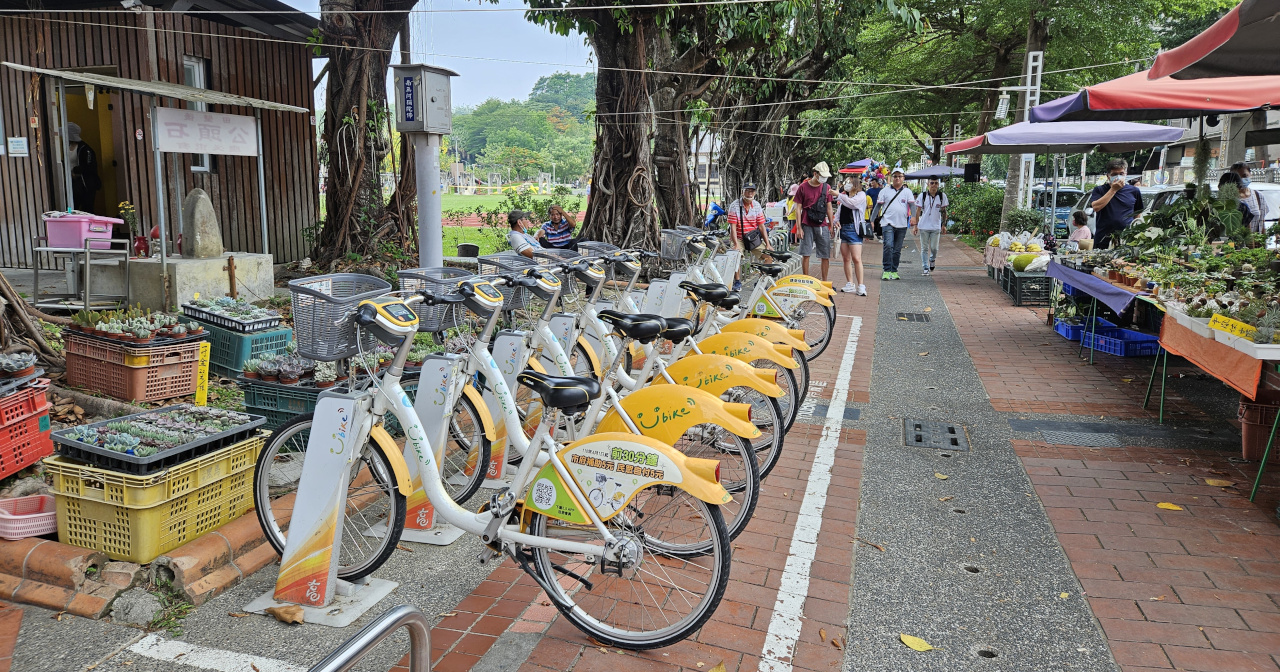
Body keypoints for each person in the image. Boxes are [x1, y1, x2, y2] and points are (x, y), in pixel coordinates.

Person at [1089, 158, 1144, 249]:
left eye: (1121, 174)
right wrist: (1113, 190)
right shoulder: (1099, 190)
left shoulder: (1134, 191)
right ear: (1108, 176)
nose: (1118, 177)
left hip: (1125, 239)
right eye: (1114, 174)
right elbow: (1096, 207)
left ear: (1125, 174)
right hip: (1103, 238)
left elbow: (1137, 213)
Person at [726, 182, 773, 289]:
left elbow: (761, 226)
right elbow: (732, 227)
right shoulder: (734, 205)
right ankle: (737, 281)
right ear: (742, 191)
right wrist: (735, 244)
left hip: (752, 237)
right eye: (747, 191)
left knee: (769, 255)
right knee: (735, 255)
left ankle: (761, 280)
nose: (749, 193)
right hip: (738, 237)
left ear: (755, 193)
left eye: (752, 191)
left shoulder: (756, 205)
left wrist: (768, 244)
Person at [794, 162, 835, 280]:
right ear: (815, 174)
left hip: (822, 224)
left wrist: (831, 225)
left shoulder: (826, 187)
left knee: (825, 255)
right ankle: (806, 280)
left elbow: (829, 207)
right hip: (806, 224)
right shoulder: (803, 187)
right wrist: (799, 227)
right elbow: (798, 209)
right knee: (806, 254)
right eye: (822, 175)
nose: (824, 178)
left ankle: (824, 281)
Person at [874, 168, 916, 280]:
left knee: (897, 249)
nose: (897, 178)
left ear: (903, 178)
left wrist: (914, 217)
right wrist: (872, 221)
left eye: (899, 176)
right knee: (888, 245)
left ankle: (894, 270)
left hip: (902, 224)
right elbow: (877, 206)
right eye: (895, 176)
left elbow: (912, 205)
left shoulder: (907, 192)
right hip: (887, 223)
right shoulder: (884, 191)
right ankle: (887, 270)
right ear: (891, 178)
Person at [835, 178, 868, 295]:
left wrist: (839, 195)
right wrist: (836, 221)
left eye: (849, 183)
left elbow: (852, 204)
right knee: (846, 258)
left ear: (855, 185)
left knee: (857, 258)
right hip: (843, 229)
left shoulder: (861, 195)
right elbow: (839, 212)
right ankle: (850, 283)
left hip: (854, 229)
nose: (846, 185)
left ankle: (861, 285)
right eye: (846, 183)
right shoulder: (845, 197)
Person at [912, 177, 948, 276]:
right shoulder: (922, 196)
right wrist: (915, 226)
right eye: (932, 183)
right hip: (924, 226)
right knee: (924, 248)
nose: (934, 185)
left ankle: (932, 259)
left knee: (934, 248)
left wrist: (944, 225)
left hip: (936, 227)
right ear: (928, 184)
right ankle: (925, 267)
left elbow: (944, 211)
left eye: (936, 183)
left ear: (938, 185)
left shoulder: (942, 196)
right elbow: (918, 211)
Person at [66, 122, 102, 214]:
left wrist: (76, 171)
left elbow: (90, 166)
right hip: (72, 183)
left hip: (85, 184)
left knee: (87, 209)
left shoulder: (85, 149)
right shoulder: (67, 147)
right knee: (73, 209)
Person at [1232, 161, 1270, 232]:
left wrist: (1262, 240)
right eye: (1237, 176)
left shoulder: (1258, 196)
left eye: (1244, 176)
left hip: (1254, 241)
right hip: (1234, 242)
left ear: (1250, 175)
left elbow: (1262, 223)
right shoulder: (1228, 199)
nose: (1241, 180)